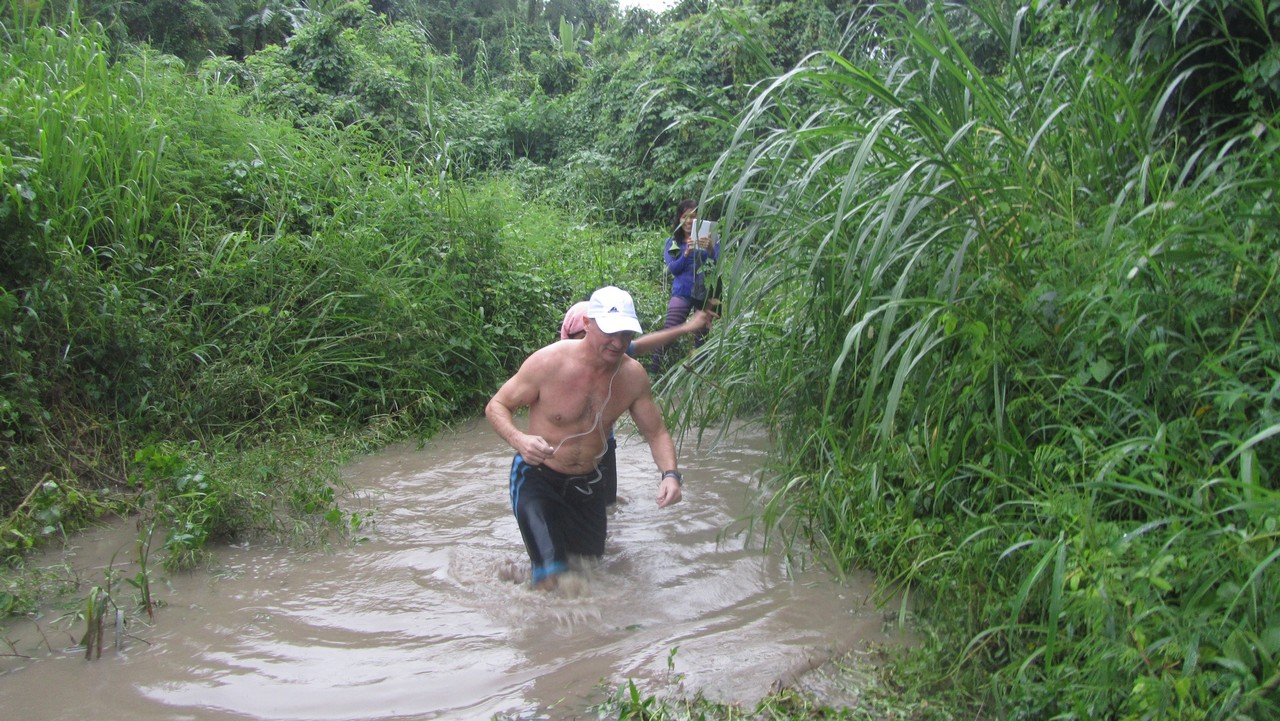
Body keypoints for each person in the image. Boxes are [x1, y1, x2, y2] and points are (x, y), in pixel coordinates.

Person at [486, 286, 685, 590]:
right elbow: (497, 406)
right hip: (537, 478)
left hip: (589, 485)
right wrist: (520, 440)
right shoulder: (548, 363)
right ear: (588, 324)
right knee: (553, 576)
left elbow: (656, 432)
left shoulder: (632, 377)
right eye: (610, 332)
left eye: (626, 334)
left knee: (589, 571)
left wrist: (670, 475)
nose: (618, 342)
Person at [559, 300, 717, 506]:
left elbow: (643, 344)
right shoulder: (553, 364)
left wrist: (687, 327)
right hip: (561, 452)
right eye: (582, 338)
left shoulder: (612, 351)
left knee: (607, 507)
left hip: (602, 445)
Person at [650, 199, 719, 374]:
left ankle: (699, 378)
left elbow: (717, 264)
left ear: (699, 219)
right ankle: (653, 372)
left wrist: (710, 249)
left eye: (693, 216)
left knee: (701, 337)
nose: (689, 221)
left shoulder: (710, 239)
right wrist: (686, 252)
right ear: (679, 219)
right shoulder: (673, 242)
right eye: (685, 216)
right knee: (670, 331)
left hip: (704, 293)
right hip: (682, 291)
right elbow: (674, 268)